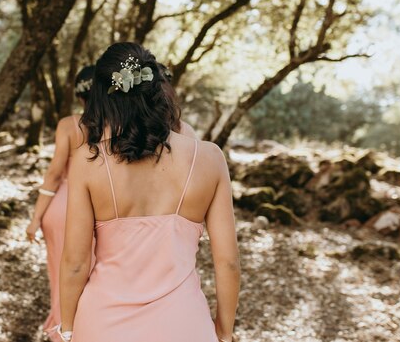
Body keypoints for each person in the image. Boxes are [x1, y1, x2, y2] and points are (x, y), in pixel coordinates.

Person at [59, 42, 240, 342]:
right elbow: (228, 262)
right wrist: (223, 330)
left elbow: (76, 262)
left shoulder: (87, 162)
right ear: (159, 89)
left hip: (103, 326)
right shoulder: (209, 158)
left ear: (102, 99)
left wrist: (67, 328)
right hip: (183, 326)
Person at [25, 65, 94, 340]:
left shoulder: (68, 124)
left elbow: (54, 174)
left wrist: (35, 218)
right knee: (91, 270)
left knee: (61, 269)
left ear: (79, 96)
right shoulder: (118, 124)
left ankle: (63, 327)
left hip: (64, 205)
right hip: (98, 206)